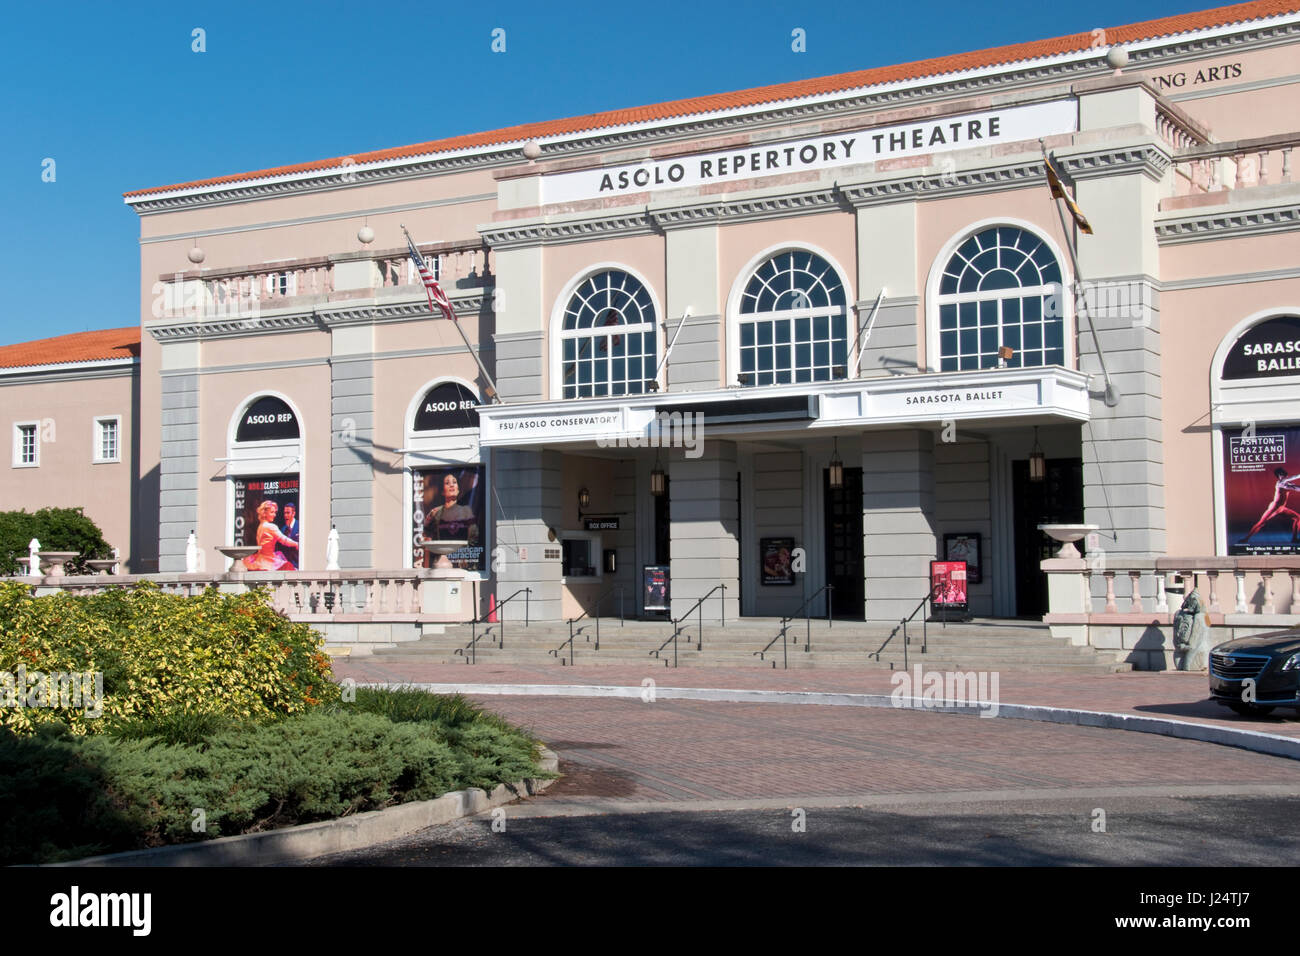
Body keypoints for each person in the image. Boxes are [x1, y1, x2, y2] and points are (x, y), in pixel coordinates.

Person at [1240, 467, 1300, 544]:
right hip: (1274, 507)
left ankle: (1294, 539)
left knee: (1298, 518)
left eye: (1284, 475)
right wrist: (1298, 476)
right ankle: (1246, 539)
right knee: (1261, 523)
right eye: (1281, 475)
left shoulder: (1288, 483)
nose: (1283, 477)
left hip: (1282, 508)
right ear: (1279, 476)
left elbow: (1296, 488)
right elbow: (1292, 481)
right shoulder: (1279, 483)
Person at [242, 500, 298, 571]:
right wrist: (296, 544)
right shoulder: (271, 527)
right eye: (272, 512)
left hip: (260, 559)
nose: (274, 515)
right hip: (268, 560)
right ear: (264, 513)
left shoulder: (260, 526)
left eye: (275, 512)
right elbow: (284, 540)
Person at [277, 503, 300, 569]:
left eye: (288, 513)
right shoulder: (283, 529)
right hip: (288, 566)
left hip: (299, 565)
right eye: (284, 513)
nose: (285, 515)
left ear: (293, 513)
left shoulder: (300, 526)